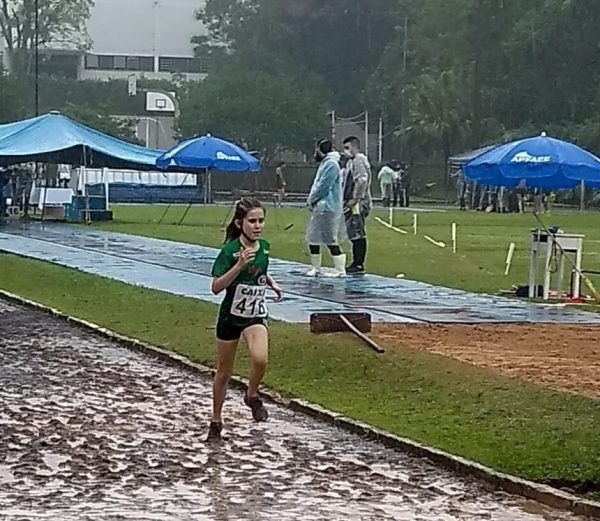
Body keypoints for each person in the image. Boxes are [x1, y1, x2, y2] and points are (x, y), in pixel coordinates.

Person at [207, 198, 282, 441]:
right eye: (252, 221)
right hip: (230, 316)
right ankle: (216, 420)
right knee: (224, 372)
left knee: (260, 359)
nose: (257, 225)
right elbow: (216, 287)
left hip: (254, 315)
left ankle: (251, 396)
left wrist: (269, 281)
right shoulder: (229, 252)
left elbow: (259, 269)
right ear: (240, 223)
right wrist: (238, 265)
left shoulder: (265, 247)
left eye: (261, 221)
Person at [305, 139, 346, 277]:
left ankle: (340, 269)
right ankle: (316, 268)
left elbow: (323, 185)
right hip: (320, 206)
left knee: (329, 238)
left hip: (327, 207)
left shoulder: (331, 164)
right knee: (313, 237)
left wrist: (312, 199)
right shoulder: (326, 163)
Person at [342, 136, 372, 275]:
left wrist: (355, 199)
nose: (346, 151)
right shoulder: (351, 162)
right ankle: (356, 262)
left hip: (357, 203)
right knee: (353, 232)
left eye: (348, 148)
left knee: (357, 232)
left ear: (355, 147)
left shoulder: (359, 160)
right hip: (352, 202)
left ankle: (358, 263)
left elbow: (362, 180)